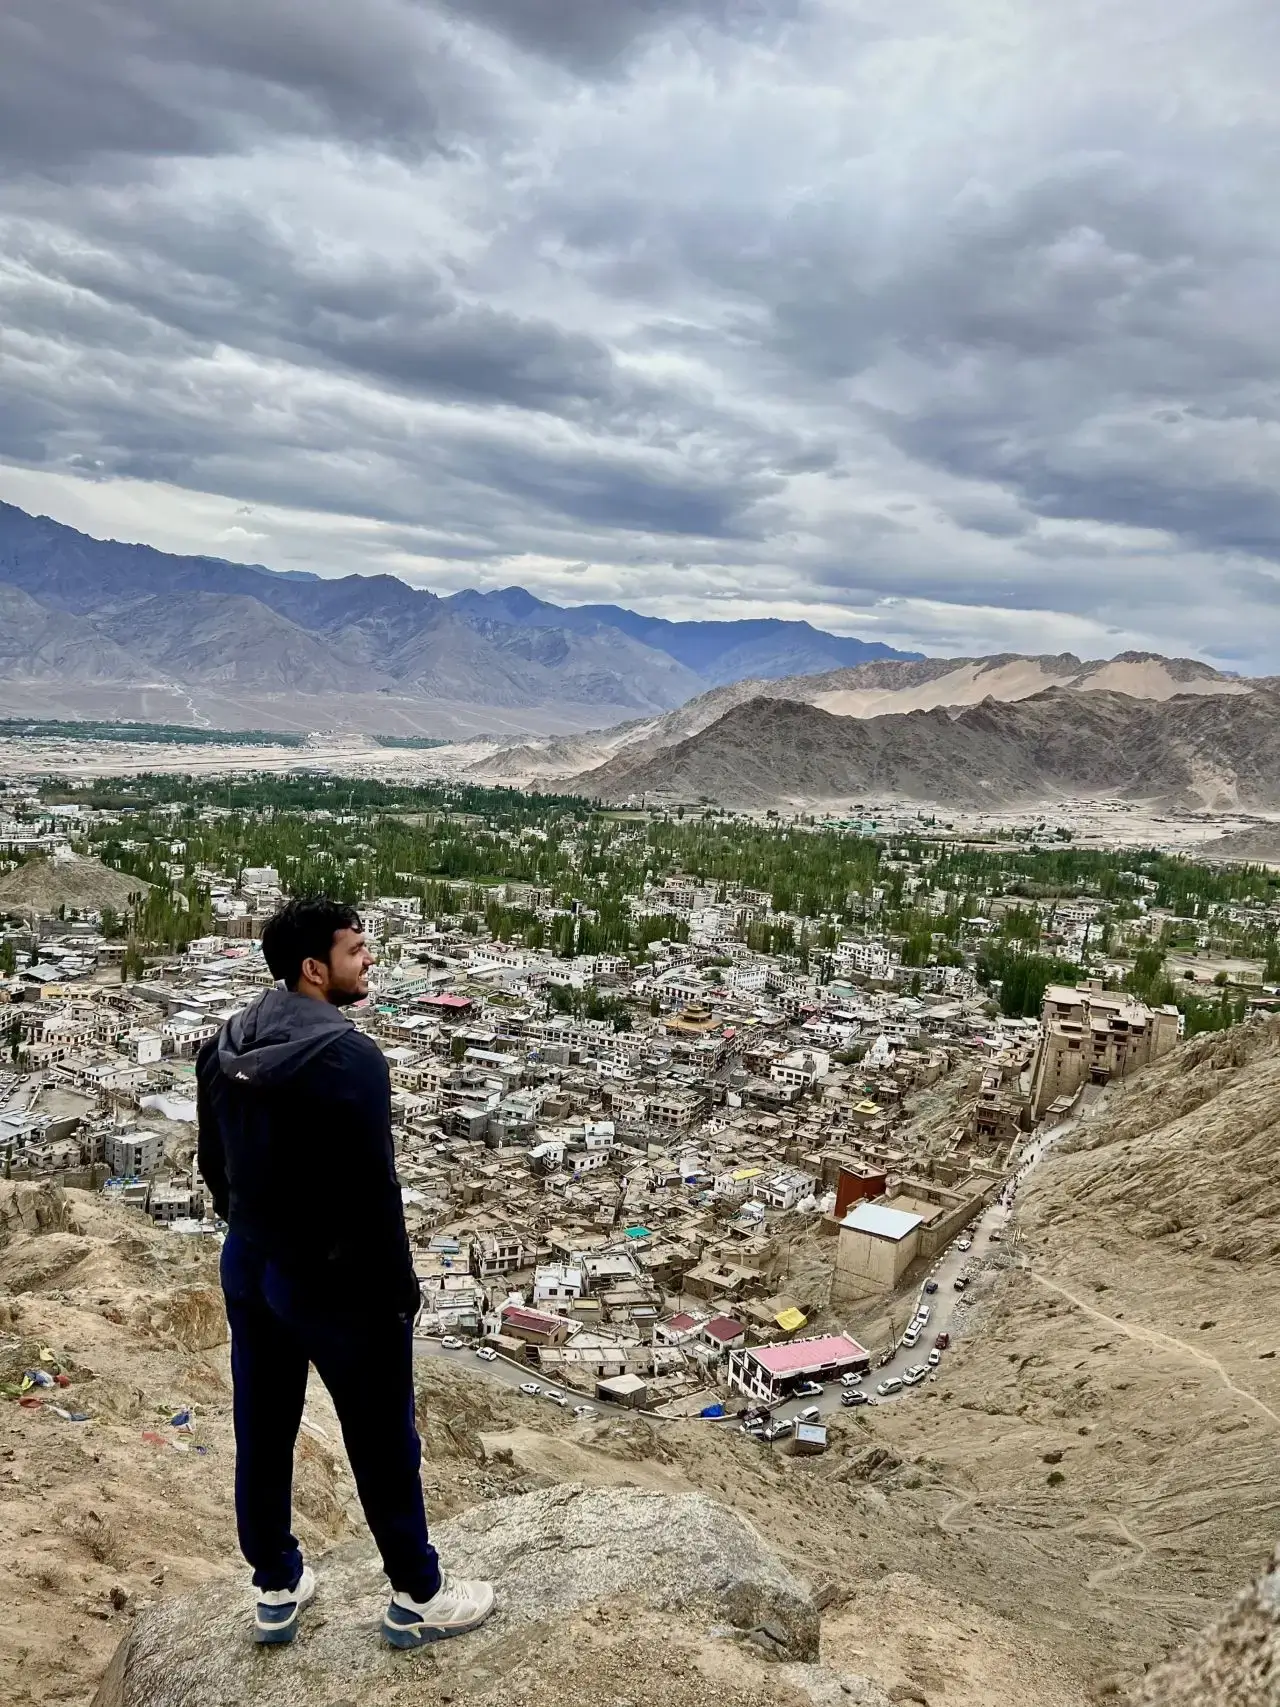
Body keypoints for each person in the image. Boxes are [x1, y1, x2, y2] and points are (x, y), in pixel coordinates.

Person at [196, 896, 494, 1649]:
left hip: (250, 1261)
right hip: (334, 1280)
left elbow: (213, 1167)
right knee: (383, 1437)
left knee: (263, 1425)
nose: (369, 961)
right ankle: (418, 1595)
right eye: (356, 950)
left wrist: (253, 1232)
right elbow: (374, 1191)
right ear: (313, 968)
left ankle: (275, 1583)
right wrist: (397, 1290)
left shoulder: (225, 1041)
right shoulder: (349, 1059)